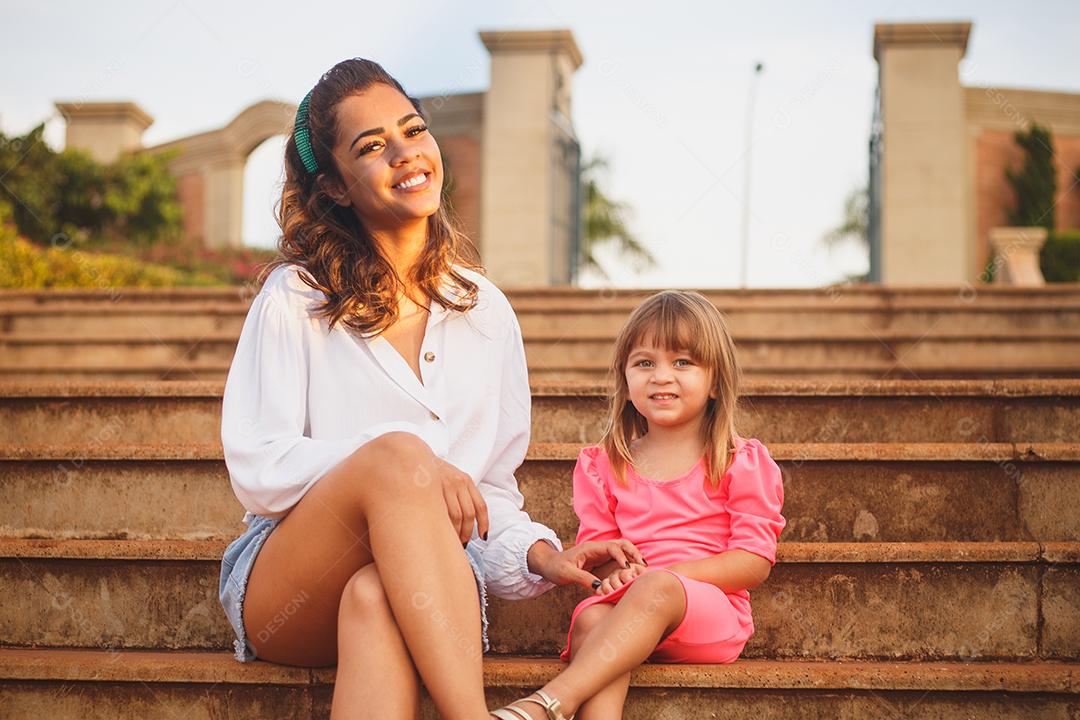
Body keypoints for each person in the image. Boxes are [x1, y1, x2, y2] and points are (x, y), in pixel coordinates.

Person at [216, 58, 642, 720]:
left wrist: (539, 554)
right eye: (371, 146)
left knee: (376, 597)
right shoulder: (295, 298)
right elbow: (259, 468)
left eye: (412, 130)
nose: (404, 154)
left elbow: (487, 494)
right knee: (400, 454)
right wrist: (392, 461)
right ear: (333, 186)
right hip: (288, 584)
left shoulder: (487, 312)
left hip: (427, 582)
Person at [490, 290, 786, 720]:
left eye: (683, 362)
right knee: (592, 620)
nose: (661, 376)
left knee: (655, 589)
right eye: (645, 363)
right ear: (625, 382)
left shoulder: (740, 460)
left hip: (707, 612)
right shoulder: (603, 465)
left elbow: (752, 562)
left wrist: (658, 577)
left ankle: (547, 703)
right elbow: (600, 556)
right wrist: (617, 577)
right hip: (627, 606)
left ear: (716, 381)